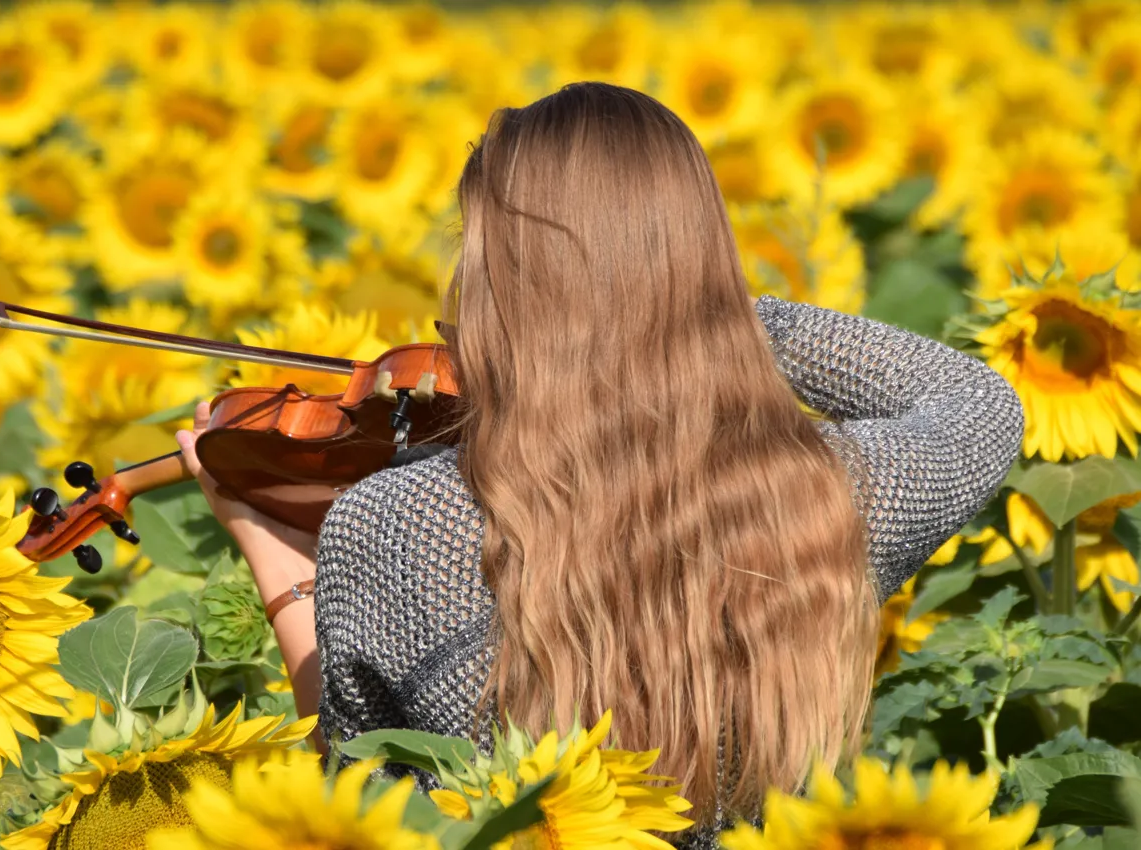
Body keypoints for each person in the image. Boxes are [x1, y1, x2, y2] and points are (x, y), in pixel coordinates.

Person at [176, 82, 1025, 848]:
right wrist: (698, 310)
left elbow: (355, 792)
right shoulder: (826, 498)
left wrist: (273, 552)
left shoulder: (401, 522)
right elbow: (979, 403)